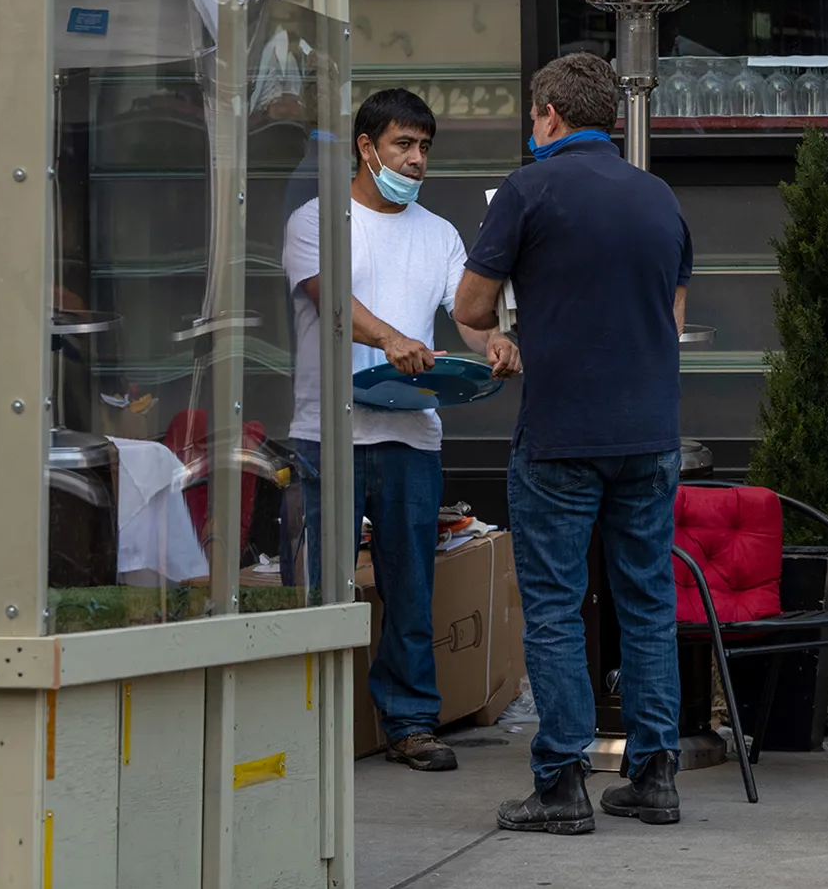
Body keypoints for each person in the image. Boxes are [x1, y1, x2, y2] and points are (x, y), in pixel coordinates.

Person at [454, 52, 693, 836]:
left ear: (550, 114)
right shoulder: (658, 196)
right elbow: (674, 319)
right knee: (648, 603)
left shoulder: (528, 188)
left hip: (561, 433)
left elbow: (472, 301)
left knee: (556, 610)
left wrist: (507, 338)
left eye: (533, 115)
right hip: (651, 432)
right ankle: (656, 777)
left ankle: (561, 784)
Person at [280, 88, 519, 772]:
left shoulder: (439, 233)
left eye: (424, 149)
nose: (416, 161)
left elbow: (467, 311)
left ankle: (410, 723)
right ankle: (314, 720)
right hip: (328, 430)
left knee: (411, 585)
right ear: (366, 146)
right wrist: (389, 338)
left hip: (412, 433)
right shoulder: (317, 219)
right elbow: (330, 299)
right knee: (324, 589)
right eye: (403, 145)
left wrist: (494, 343)